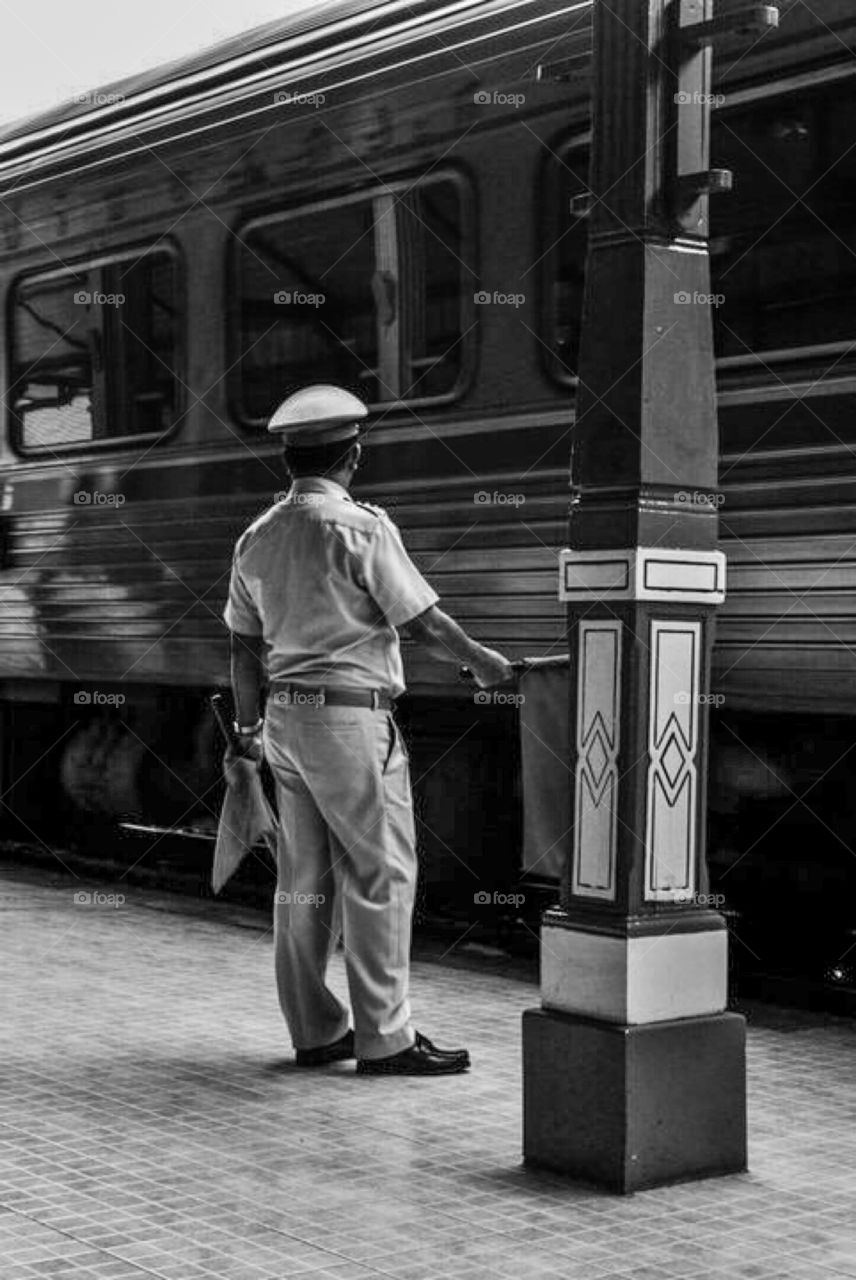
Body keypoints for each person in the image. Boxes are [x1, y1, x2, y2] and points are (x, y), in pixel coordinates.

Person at [223, 384, 513, 1075]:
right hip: (350, 719)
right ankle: (386, 1039)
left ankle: (317, 1030)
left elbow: (241, 648)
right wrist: (485, 664)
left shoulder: (256, 536)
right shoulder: (360, 528)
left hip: (286, 720)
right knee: (381, 872)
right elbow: (421, 620)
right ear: (353, 454)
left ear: (291, 459)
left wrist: (247, 730)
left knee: (301, 881)